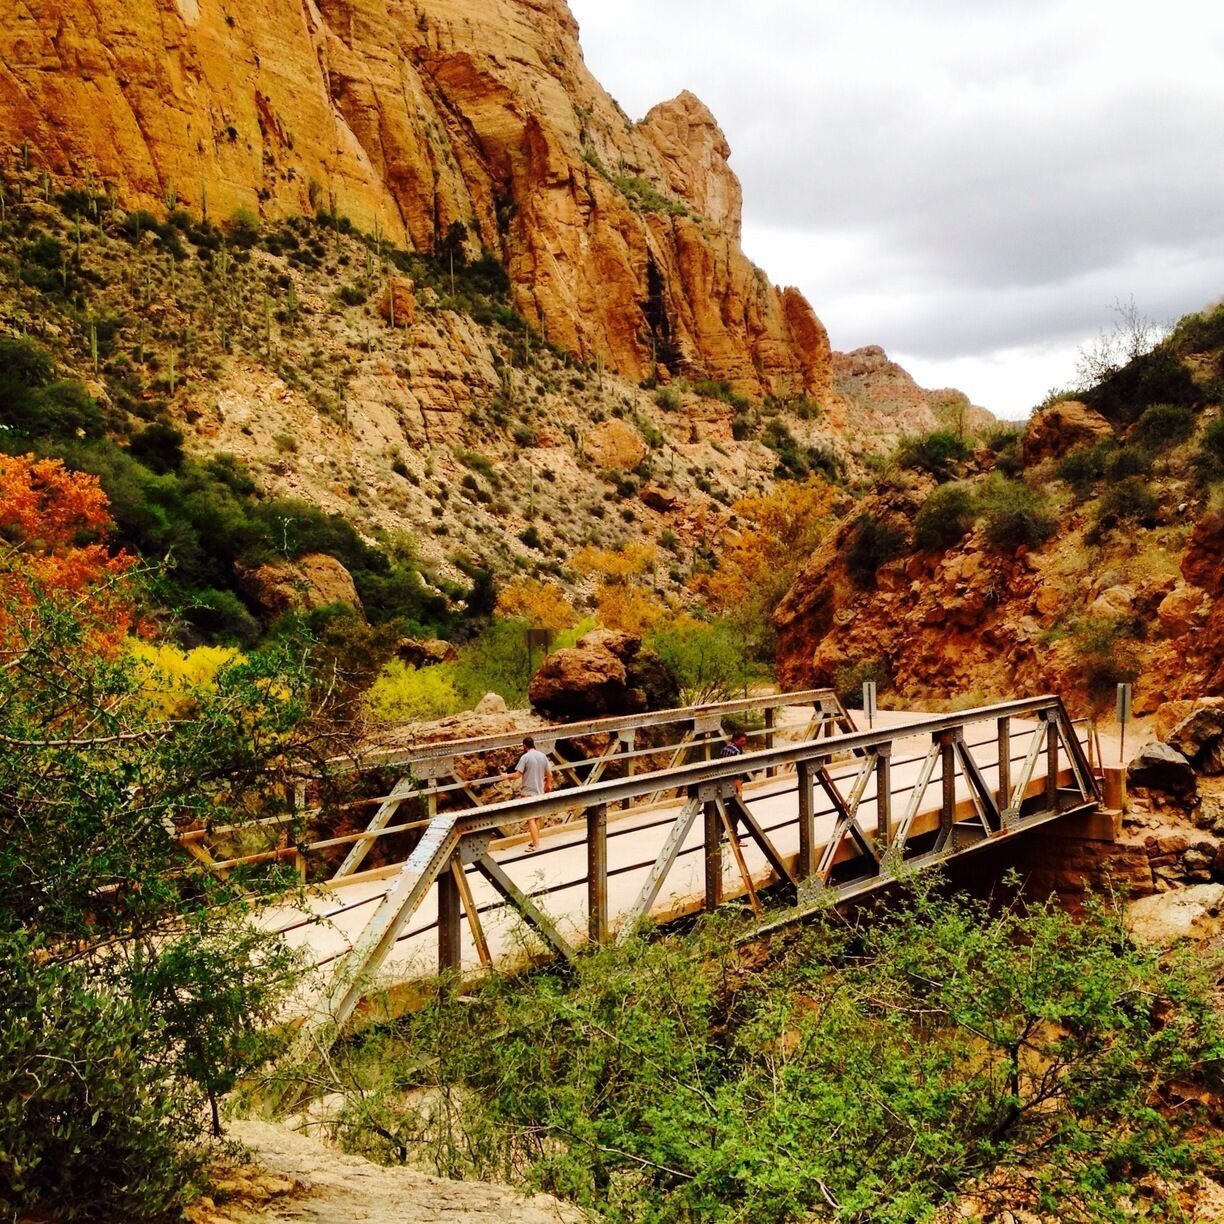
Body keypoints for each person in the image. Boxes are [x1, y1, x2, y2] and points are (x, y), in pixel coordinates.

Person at [508, 736, 552, 851]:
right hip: (539, 791)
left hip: (528, 792)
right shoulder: (542, 756)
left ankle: (536, 845)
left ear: (524, 746)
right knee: (537, 818)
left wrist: (505, 776)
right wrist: (548, 785)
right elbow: (549, 774)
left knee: (531, 818)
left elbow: (517, 775)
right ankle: (535, 841)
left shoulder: (525, 757)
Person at [719, 729, 749, 797]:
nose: (744, 743)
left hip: (723, 775)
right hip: (732, 776)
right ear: (736, 740)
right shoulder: (736, 751)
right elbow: (738, 769)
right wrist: (739, 786)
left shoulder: (724, 748)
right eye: (742, 741)